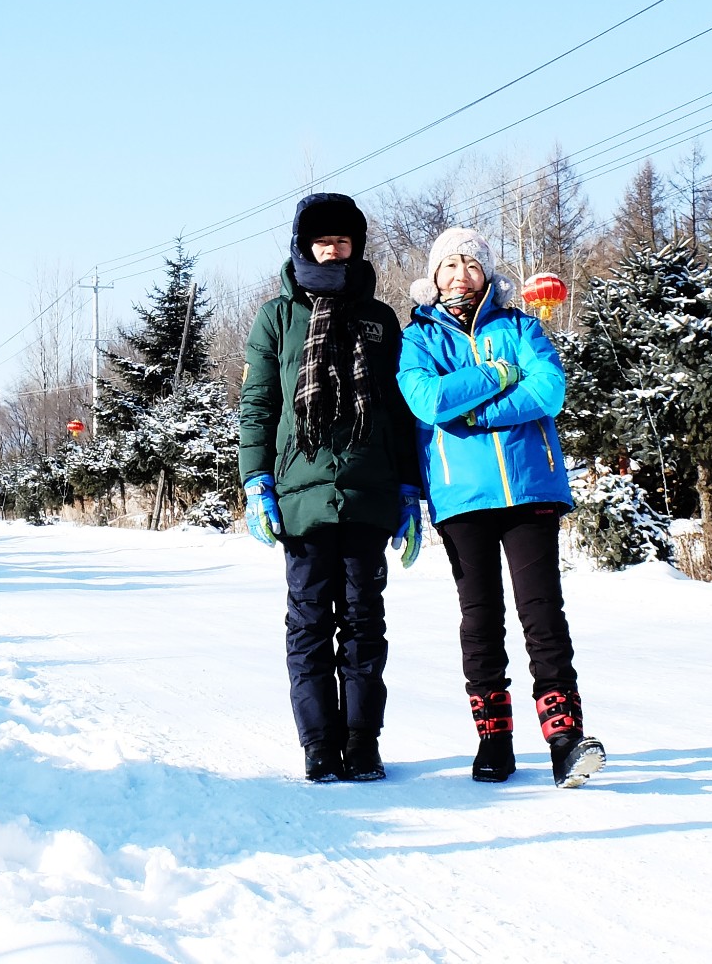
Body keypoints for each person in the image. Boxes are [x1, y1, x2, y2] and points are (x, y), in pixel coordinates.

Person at [397, 227, 606, 789]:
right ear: (433, 278)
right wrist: (496, 374)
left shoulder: (521, 326)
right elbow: (428, 400)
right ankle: (494, 739)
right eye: (448, 266)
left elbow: (549, 391)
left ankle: (565, 740)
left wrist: (478, 414)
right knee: (481, 618)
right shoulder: (418, 339)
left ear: (488, 272)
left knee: (542, 615)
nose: (459, 273)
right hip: (459, 497)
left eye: (470, 263)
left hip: (529, 490)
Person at [239, 193, 422, 783]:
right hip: (300, 495)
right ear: (303, 245)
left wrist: (408, 490)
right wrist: (255, 479)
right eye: (323, 240)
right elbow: (259, 403)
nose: (333, 248)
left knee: (366, 624)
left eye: (343, 240)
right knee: (310, 623)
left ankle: (362, 743)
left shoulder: (379, 318)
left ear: (356, 247)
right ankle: (320, 746)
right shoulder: (277, 316)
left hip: (367, 493)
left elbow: (398, 411)